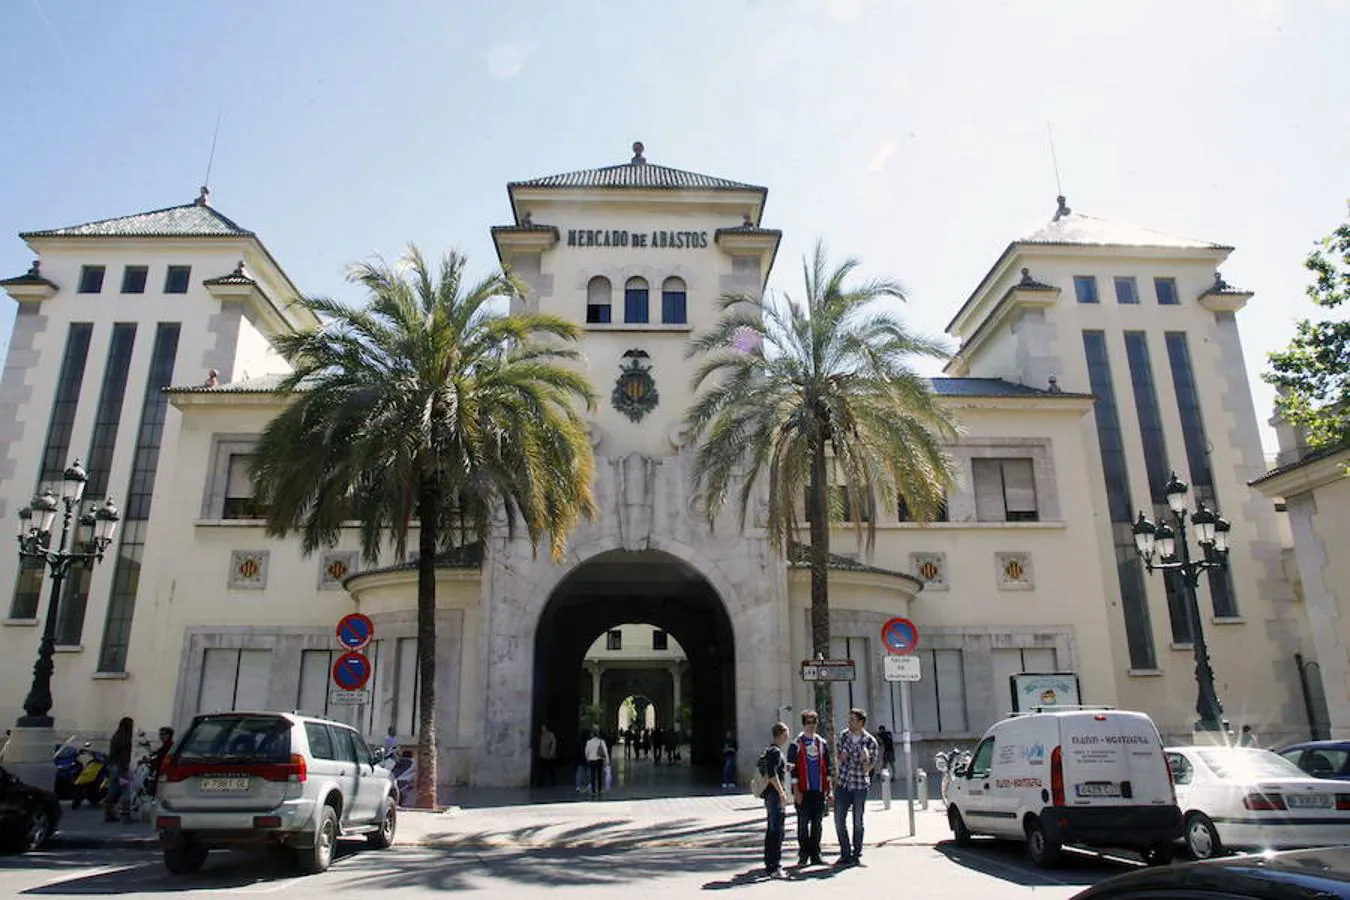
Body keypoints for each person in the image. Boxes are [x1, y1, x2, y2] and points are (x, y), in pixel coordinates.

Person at [834, 707, 880, 866]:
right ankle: (844, 852)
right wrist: (842, 757)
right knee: (839, 820)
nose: (849, 722)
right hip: (843, 783)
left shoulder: (870, 741)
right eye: (849, 719)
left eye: (853, 720)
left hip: (860, 785)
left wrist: (866, 759)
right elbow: (839, 758)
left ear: (861, 722)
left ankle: (856, 853)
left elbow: (869, 769)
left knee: (857, 821)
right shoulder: (844, 736)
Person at [786, 708, 832, 867]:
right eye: (808, 723)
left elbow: (828, 768)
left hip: (818, 789)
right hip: (803, 790)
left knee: (817, 823)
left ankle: (816, 854)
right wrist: (796, 790)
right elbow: (792, 769)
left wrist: (829, 790)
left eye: (814, 723)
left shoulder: (822, 742)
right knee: (802, 823)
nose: (811, 726)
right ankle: (804, 853)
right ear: (803, 724)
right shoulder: (796, 743)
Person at [760, 722, 791, 879]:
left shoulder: (770, 750)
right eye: (786, 733)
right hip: (774, 795)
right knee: (777, 831)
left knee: (772, 829)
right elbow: (773, 775)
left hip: (769, 795)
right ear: (781, 734)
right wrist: (782, 793)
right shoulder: (776, 752)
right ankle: (774, 866)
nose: (788, 736)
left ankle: (769, 863)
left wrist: (786, 768)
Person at [104, 716, 134, 823]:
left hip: (113, 767)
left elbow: (112, 753)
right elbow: (124, 756)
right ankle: (126, 815)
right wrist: (125, 768)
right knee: (126, 790)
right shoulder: (125, 738)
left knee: (112, 790)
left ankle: (109, 814)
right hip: (121, 768)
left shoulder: (116, 736)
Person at [584, 728, 609, 797]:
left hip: (591, 760)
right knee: (599, 775)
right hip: (599, 760)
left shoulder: (588, 742)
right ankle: (599, 789)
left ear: (592, 734)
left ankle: (593, 790)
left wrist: (588, 758)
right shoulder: (601, 741)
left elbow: (586, 752)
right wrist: (607, 760)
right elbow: (605, 751)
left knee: (592, 775)